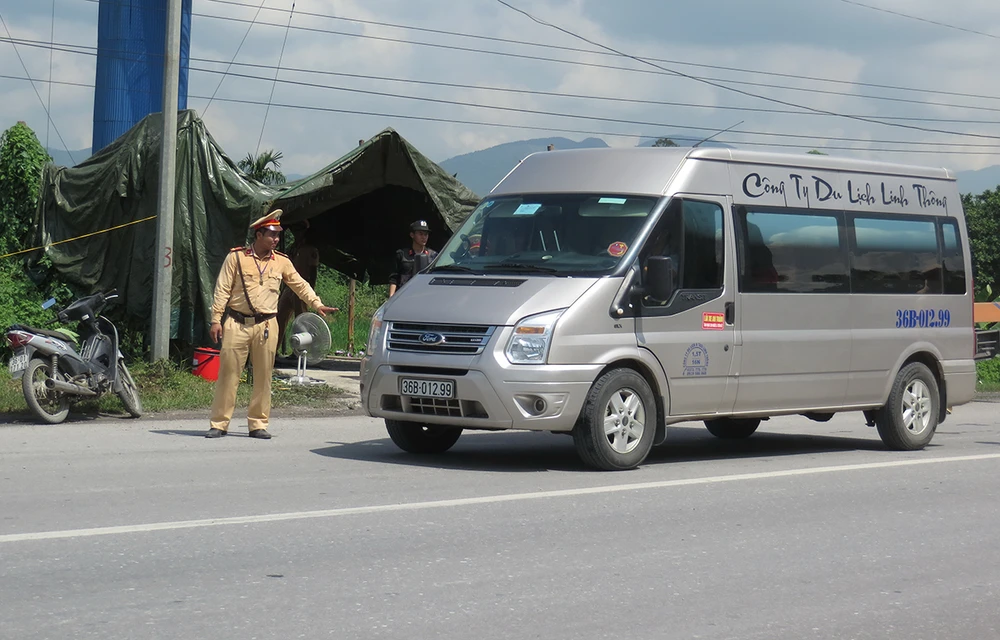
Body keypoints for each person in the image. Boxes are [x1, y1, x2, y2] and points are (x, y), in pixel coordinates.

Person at [205, 209, 338, 439]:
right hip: (236, 323)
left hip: (266, 325)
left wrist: (317, 304)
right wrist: (216, 320)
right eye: (271, 235)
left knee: (264, 376)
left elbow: (299, 284)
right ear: (259, 235)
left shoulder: (282, 262)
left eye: (278, 235)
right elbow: (222, 290)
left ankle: (257, 423)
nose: (276, 239)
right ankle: (219, 423)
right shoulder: (236, 258)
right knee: (228, 375)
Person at [388, 219, 438, 297]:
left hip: (425, 295)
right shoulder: (402, 254)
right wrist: (391, 296)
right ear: (412, 235)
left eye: (426, 234)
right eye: (420, 234)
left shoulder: (433, 255)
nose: (424, 237)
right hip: (403, 294)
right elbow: (394, 278)